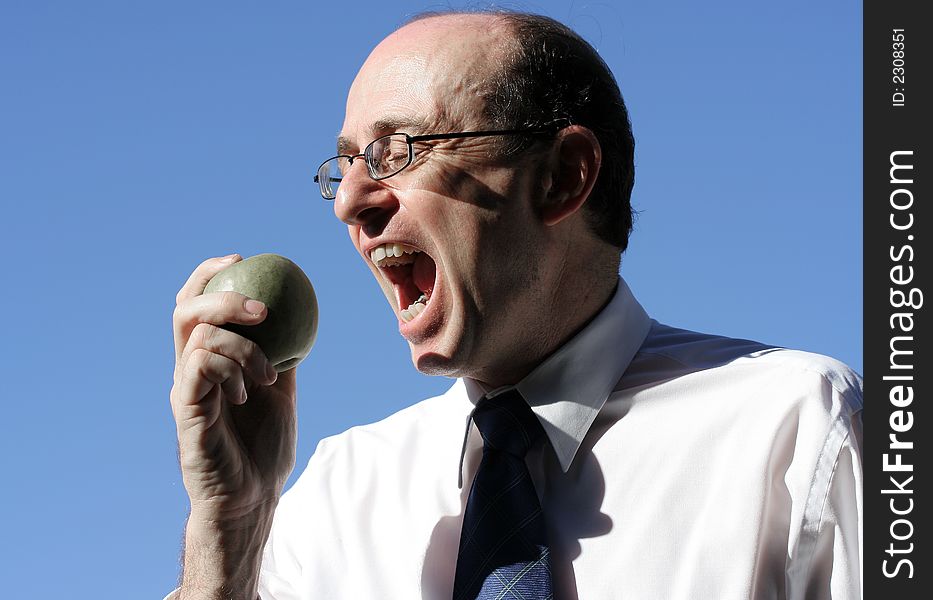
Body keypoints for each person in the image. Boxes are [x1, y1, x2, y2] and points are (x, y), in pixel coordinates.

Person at [166, 10, 862, 600]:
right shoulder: (336, 497)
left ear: (562, 178)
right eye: (345, 164)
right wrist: (230, 526)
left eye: (397, 150)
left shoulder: (799, 433)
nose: (350, 199)